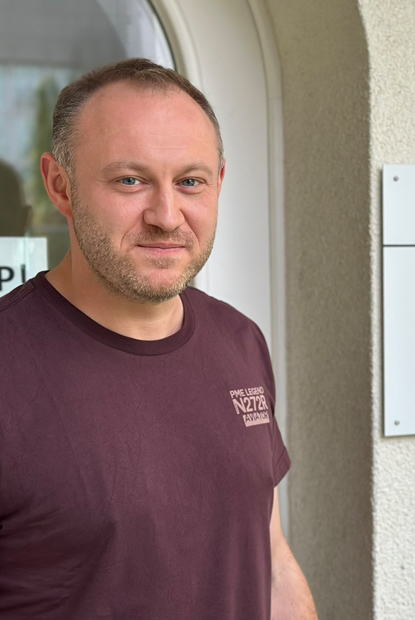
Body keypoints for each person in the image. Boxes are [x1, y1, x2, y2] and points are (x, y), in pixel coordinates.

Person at [0, 58, 318, 620]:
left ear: (219, 183)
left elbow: (269, 559)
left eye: (190, 181)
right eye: (131, 180)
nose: (167, 216)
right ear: (60, 186)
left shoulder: (239, 341)